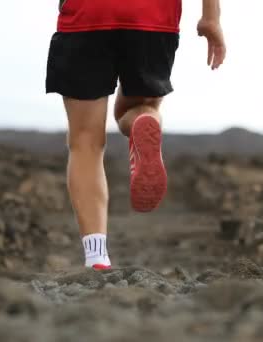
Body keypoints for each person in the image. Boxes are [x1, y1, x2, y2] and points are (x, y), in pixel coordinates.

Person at [46, 0, 226, 269]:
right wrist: (210, 18)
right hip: (152, 17)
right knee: (138, 107)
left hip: (87, 15)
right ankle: (144, 119)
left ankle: (97, 256)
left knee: (86, 142)